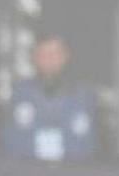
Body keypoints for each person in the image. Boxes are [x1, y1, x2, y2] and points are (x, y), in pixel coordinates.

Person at [5, 34, 96, 162]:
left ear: (66, 57)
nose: (49, 60)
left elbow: (90, 144)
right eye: (43, 54)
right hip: (26, 171)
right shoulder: (20, 93)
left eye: (55, 54)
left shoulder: (83, 95)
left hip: (72, 171)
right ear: (34, 58)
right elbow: (10, 141)